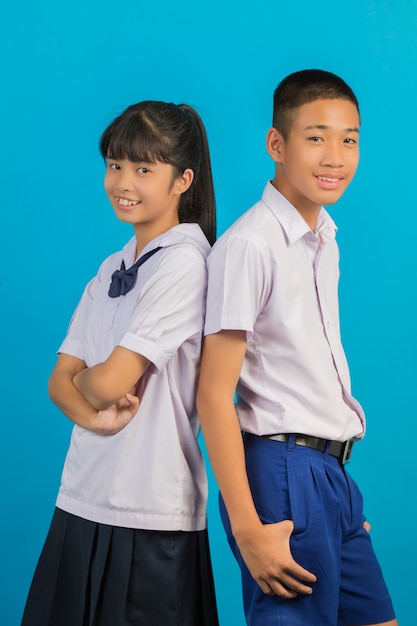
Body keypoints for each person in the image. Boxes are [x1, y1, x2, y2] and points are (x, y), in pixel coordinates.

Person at [197, 69, 397, 626]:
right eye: (316, 137)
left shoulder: (324, 239)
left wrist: (335, 504)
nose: (335, 155)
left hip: (326, 479)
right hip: (282, 473)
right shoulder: (250, 246)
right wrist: (247, 525)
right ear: (276, 144)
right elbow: (213, 394)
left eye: (349, 139)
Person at [22, 100, 219, 626]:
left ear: (183, 180)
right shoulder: (113, 265)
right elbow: (56, 383)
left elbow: (103, 381)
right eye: (115, 165)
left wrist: (87, 385)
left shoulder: (185, 264)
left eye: (143, 168)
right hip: (82, 494)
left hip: (150, 508)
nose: (123, 182)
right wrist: (91, 413)